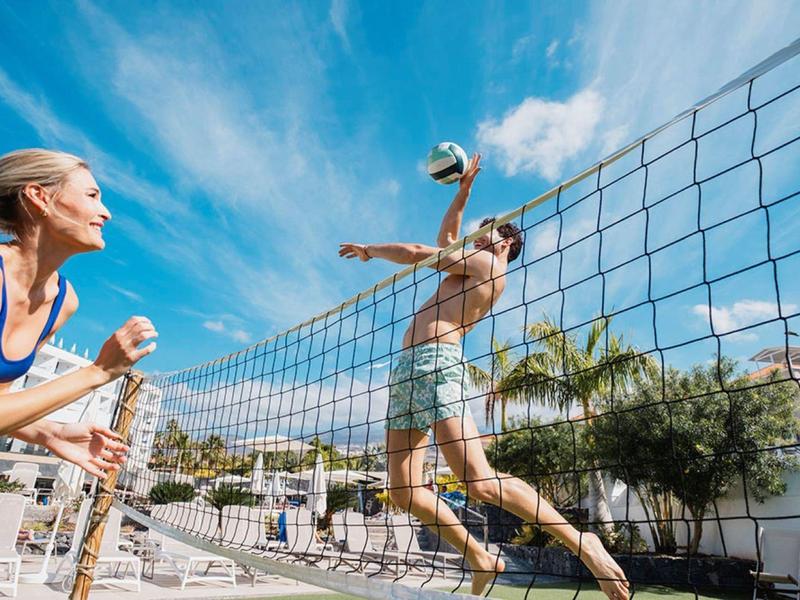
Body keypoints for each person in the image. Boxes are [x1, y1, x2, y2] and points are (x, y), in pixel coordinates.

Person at [339, 154, 629, 598]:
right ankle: (479, 555)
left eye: (484, 232)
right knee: (403, 491)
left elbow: (422, 253)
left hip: (437, 365)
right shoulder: (471, 262)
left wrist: (370, 250)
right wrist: (461, 193)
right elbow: (446, 239)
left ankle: (581, 542)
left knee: (479, 480)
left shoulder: (490, 266)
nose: (473, 238)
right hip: (408, 373)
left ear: (506, 243)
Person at [0, 148, 158, 480]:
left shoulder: (63, 300)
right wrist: (97, 372)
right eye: (92, 195)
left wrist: (50, 434)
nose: (107, 213)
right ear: (39, 197)